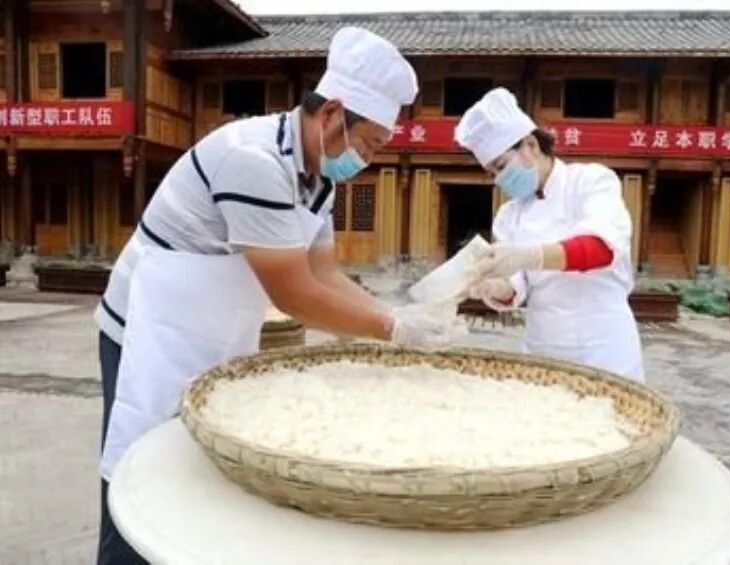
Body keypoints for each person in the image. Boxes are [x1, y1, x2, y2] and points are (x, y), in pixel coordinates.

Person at [94, 27, 458, 563]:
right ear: (332, 113)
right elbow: (295, 294)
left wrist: (393, 313)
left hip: (211, 327)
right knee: (141, 475)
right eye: (368, 143)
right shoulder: (254, 160)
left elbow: (324, 274)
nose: (367, 159)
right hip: (148, 330)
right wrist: (394, 329)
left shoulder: (318, 180)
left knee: (194, 478)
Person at [456, 88, 644, 383]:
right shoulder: (509, 215)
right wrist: (491, 286)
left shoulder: (590, 181)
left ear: (531, 145)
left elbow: (600, 249)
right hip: (544, 346)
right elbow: (516, 286)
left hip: (603, 345)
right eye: (492, 173)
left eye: (501, 166)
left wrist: (530, 256)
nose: (499, 179)